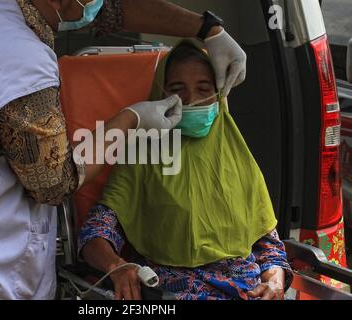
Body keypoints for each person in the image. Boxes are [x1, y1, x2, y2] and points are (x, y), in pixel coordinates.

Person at [0, 0, 246, 299]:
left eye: (204, 89)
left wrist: (206, 28)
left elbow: (105, 11)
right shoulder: (20, 67)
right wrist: (128, 121)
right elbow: (55, 182)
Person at [78, 41, 293, 300]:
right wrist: (116, 265)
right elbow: (96, 231)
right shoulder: (143, 154)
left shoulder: (237, 157)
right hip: (174, 291)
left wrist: (274, 281)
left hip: (246, 289)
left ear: (219, 94)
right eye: (178, 91)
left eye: (204, 89)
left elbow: (269, 246)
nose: (191, 100)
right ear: (161, 94)